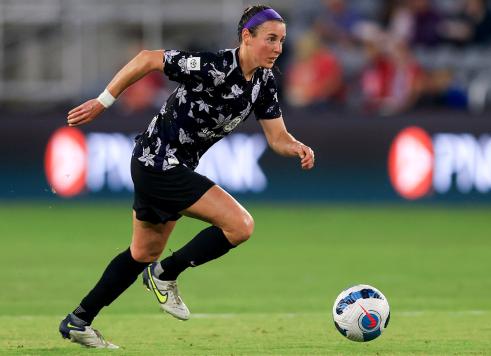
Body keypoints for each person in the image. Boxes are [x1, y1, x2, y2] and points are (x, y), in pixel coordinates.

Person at [58, 5, 314, 349]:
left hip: (165, 166)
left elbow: (277, 137)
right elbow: (148, 58)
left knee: (143, 252)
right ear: (247, 37)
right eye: (270, 39)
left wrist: (296, 146)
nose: (278, 48)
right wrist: (104, 101)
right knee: (240, 226)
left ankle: (79, 320)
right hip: (159, 163)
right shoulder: (214, 67)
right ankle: (166, 274)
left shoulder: (264, 82)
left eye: (281, 41)